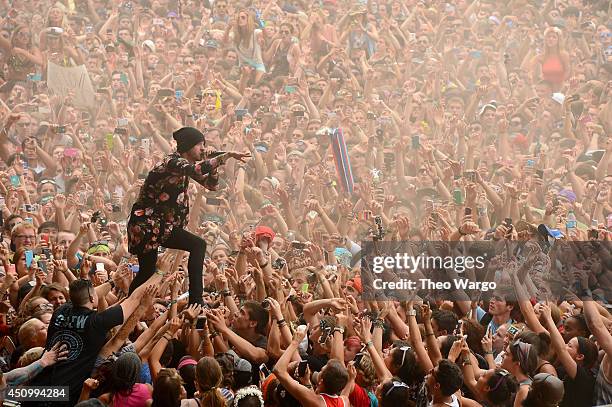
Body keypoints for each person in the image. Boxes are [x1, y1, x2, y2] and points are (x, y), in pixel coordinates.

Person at [127, 126, 250, 305]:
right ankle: (196, 300)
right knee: (197, 244)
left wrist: (214, 162)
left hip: (156, 226)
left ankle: (127, 305)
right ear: (188, 146)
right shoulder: (172, 162)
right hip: (148, 224)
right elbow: (196, 171)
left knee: (147, 272)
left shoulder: (185, 166)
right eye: (200, 144)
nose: (203, 148)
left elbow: (212, 185)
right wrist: (225, 156)